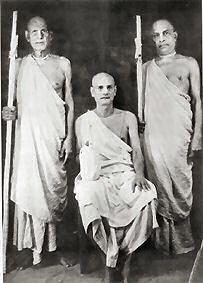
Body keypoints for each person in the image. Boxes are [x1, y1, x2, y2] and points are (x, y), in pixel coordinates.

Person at [2, 16, 74, 266]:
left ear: (50, 35)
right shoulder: (18, 65)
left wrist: (70, 138)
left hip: (53, 137)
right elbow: (11, 105)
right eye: (35, 32)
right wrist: (8, 112)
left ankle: (53, 248)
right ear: (26, 36)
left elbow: (70, 103)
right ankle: (32, 250)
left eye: (44, 31)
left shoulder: (62, 64)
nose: (40, 36)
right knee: (30, 190)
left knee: (53, 191)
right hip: (28, 140)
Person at [74, 72, 158, 282]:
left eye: (109, 87)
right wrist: (87, 159)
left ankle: (125, 256)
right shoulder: (83, 121)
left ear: (115, 91)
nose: (105, 92)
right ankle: (110, 256)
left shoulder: (127, 117)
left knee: (148, 195)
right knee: (86, 194)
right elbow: (79, 156)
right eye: (100, 88)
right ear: (92, 92)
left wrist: (139, 174)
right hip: (98, 176)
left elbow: (137, 151)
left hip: (124, 173)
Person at [142, 19, 202, 255]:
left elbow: (198, 101)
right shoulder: (146, 67)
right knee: (158, 184)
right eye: (156, 36)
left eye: (165, 33)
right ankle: (162, 245)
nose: (161, 39)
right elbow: (142, 108)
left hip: (179, 135)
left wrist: (198, 136)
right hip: (154, 136)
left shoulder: (188, 63)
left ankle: (183, 243)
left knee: (180, 182)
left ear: (175, 36)